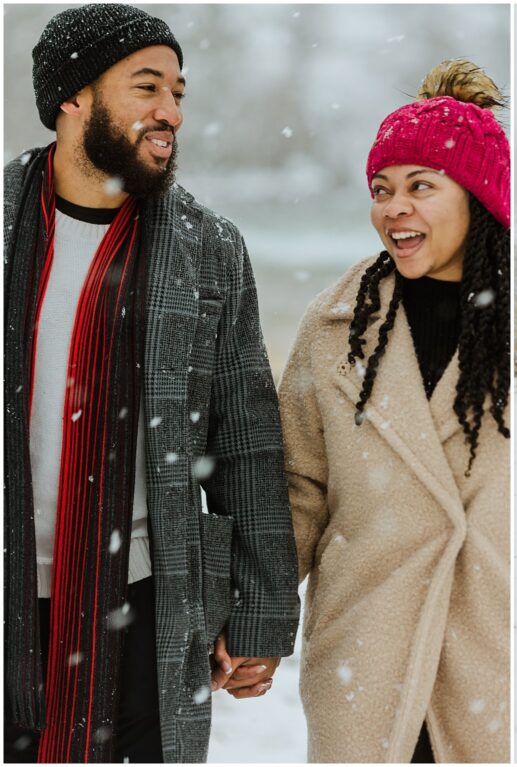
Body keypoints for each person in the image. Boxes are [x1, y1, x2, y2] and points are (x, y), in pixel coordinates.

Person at [3, 5, 299, 762]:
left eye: (178, 92)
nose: (170, 112)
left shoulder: (208, 250)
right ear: (72, 97)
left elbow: (246, 439)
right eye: (147, 87)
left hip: (146, 604)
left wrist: (261, 616)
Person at [278, 60, 510, 763]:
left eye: (420, 187)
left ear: (478, 197)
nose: (392, 207)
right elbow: (297, 492)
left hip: (490, 661)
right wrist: (249, 624)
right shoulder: (333, 326)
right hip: (365, 657)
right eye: (381, 190)